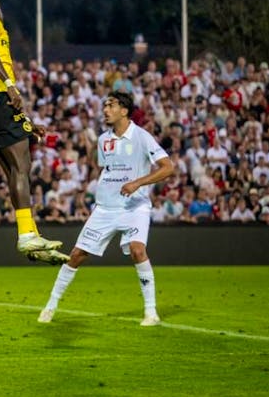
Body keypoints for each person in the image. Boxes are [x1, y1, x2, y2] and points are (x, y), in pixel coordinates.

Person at [38, 92, 174, 326]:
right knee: (76, 256)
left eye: (111, 105)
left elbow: (167, 167)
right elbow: (106, 170)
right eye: (104, 105)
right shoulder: (103, 140)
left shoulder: (142, 137)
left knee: (137, 250)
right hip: (105, 208)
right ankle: (50, 306)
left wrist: (137, 183)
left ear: (124, 110)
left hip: (134, 206)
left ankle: (151, 312)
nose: (105, 109)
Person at [0, 0, 66, 264]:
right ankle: (26, 235)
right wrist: (10, 83)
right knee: (22, 167)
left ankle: (31, 235)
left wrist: (27, 122)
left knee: (13, 170)